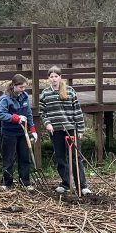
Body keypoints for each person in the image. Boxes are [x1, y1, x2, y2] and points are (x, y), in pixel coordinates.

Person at [38, 65, 91, 196]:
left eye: (56, 76)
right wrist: (47, 124)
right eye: (51, 77)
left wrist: (80, 129)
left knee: (75, 157)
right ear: (48, 79)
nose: (54, 79)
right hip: (56, 130)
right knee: (60, 157)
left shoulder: (70, 91)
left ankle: (82, 185)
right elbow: (42, 112)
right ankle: (66, 183)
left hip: (71, 128)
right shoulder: (45, 93)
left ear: (60, 77)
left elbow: (77, 110)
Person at [0, 73, 37, 191]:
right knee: (8, 159)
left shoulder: (24, 96)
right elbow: (1, 114)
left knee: (24, 157)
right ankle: (7, 182)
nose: (23, 90)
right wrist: (16, 118)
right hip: (9, 132)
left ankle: (25, 181)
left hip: (22, 132)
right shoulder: (5, 99)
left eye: (24, 87)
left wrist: (32, 129)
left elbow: (28, 113)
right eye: (21, 87)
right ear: (14, 85)